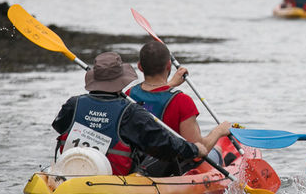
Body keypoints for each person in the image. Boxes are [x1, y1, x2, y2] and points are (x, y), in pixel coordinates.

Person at [51, 52, 208, 177]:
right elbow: (164, 142)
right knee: (163, 153)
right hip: (115, 178)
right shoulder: (130, 111)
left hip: (70, 168)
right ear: (121, 79)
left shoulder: (73, 103)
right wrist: (194, 149)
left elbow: (59, 126)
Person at [127, 41, 231, 173]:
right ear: (169, 66)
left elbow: (153, 96)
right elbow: (198, 150)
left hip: (140, 162)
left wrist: (169, 85)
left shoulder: (129, 95)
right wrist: (219, 131)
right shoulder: (182, 101)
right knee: (218, 150)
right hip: (173, 169)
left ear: (140, 67)